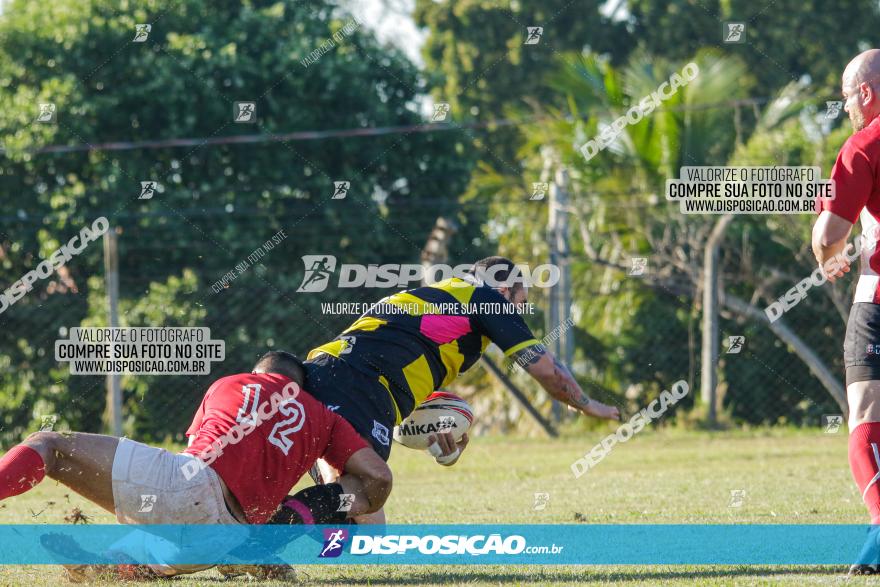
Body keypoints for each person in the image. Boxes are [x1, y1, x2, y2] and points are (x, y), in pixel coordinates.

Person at [0, 350, 392, 580]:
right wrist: (328, 503)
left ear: (259, 373)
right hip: (224, 540)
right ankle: (105, 567)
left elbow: (201, 456)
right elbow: (378, 478)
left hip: (190, 490)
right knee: (144, 555)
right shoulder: (325, 418)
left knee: (48, 444)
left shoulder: (232, 382)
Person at [294, 256, 620, 524]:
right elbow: (549, 373)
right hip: (356, 387)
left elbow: (403, 408)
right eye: (520, 304)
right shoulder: (484, 299)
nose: (518, 315)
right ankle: (279, 526)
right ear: (504, 290)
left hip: (323, 378)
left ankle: (267, 531)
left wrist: (439, 445)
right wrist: (590, 405)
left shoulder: (437, 303)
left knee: (361, 523)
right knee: (363, 511)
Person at [812, 49, 880, 575]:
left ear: (865, 92)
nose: (844, 105)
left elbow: (827, 236)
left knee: (864, 417)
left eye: (844, 94)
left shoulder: (864, 144)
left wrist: (831, 260)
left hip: (877, 300)